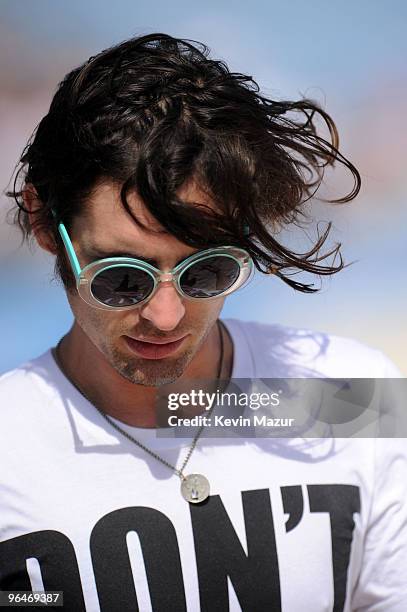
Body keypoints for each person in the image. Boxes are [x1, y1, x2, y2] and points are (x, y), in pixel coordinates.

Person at [1, 33, 406, 612]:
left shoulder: (347, 394)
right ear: (44, 227)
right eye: (122, 278)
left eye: (206, 273)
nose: (164, 317)